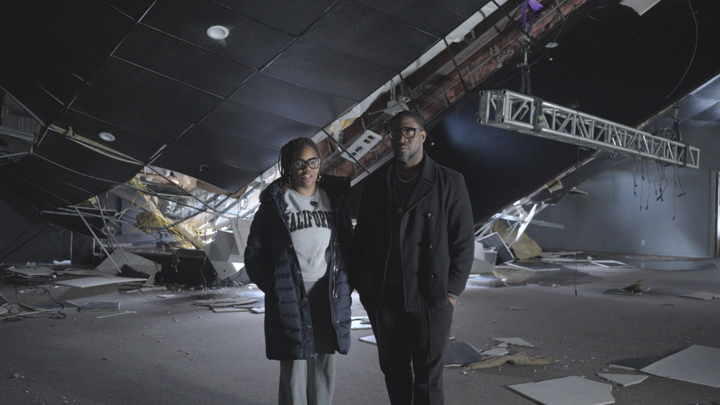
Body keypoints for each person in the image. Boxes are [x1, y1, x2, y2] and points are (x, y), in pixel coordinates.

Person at [352, 111, 475, 405]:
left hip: (430, 295)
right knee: (394, 372)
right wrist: (365, 289)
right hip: (385, 295)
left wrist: (451, 292)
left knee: (428, 377)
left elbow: (463, 241)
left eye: (408, 131)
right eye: (395, 133)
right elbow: (362, 240)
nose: (401, 138)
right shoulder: (377, 182)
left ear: (422, 135)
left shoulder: (449, 181)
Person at [245, 137, 353, 405]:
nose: (307, 169)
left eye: (312, 162)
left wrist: (346, 283)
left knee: (324, 363)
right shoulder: (275, 203)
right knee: (294, 363)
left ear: (320, 164)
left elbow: (347, 246)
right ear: (289, 167)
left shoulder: (334, 199)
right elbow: (253, 254)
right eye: (299, 163)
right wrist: (276, 287)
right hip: (291, 294)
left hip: (327, 292)